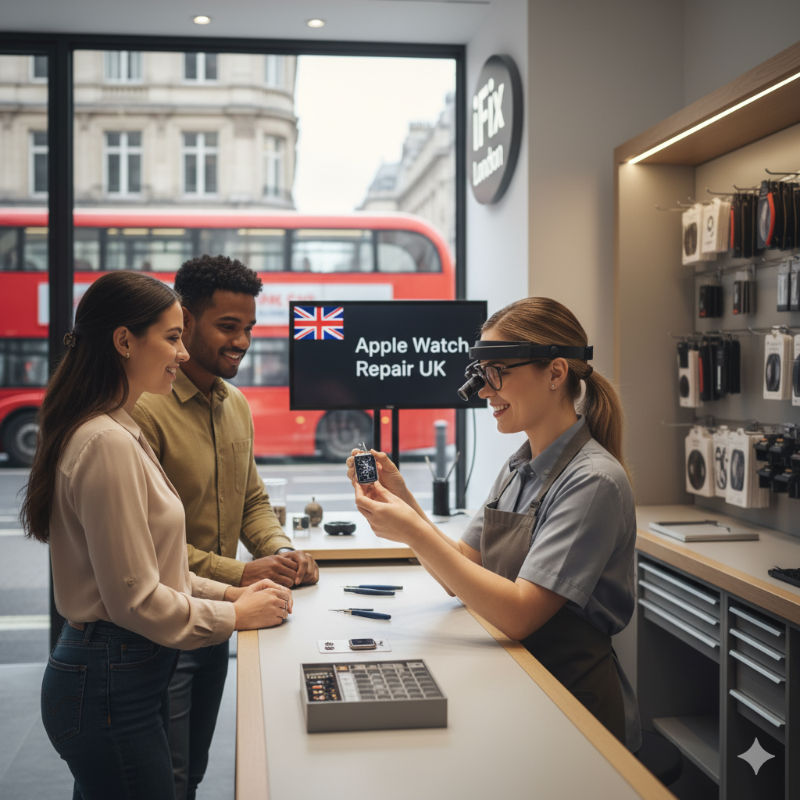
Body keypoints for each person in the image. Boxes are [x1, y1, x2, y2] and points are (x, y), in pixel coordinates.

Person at [22, 271, 293, 800]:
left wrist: (232, 592)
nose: (182, 353)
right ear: (124, 341)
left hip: (119, 673)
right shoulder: (107, 440)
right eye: (171, 338)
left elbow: (153, 564)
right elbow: (135, 599)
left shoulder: (118, 428)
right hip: (111, 677)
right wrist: (235, 612)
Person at [347, 297, 641, 751]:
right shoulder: (520, 465)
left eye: (497, 373)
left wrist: (411, 530)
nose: (485, 392)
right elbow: (463, 569)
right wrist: (405, 502)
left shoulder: (594, 482)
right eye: (482, 376)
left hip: (570, 702)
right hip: (519, 677)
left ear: (556, 373)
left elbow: (521, 614)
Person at [131, 254, 319, 800]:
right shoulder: (145, 410)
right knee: (158, 781)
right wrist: (244, 570)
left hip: (219, 619)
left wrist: (281, 551)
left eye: (249, 328)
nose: (243, 341)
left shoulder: (234, 403)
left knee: (189, 773)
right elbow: (147, 544)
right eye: (228, 327)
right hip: (159, 629)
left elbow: (252, 500)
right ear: (185, 322)